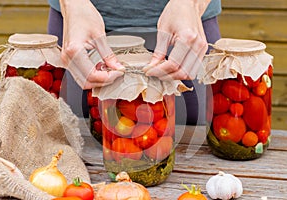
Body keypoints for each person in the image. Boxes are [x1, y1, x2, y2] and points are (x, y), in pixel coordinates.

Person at [47, 0, 222, 125]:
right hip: (79, 21)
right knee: (73, 130)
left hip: (186, 23)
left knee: (197, 128)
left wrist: (191, 3)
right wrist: (70, 3)